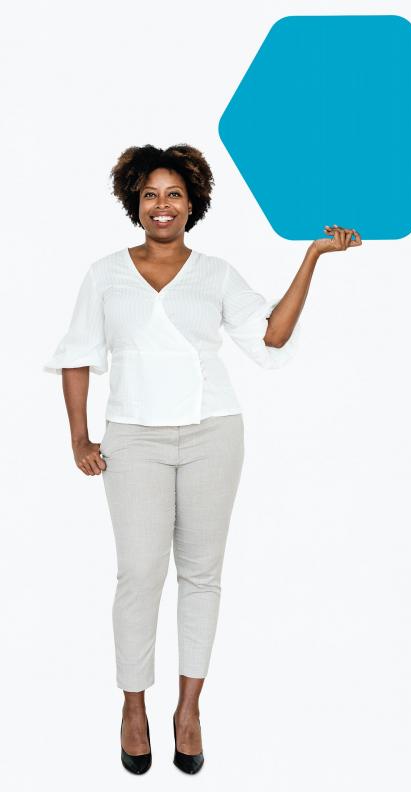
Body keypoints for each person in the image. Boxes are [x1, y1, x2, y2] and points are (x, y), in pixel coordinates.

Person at [43, 142, 362, 775]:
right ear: (135, 202)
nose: (162, 206)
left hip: (213, 432)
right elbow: (77, 353)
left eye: (175, 195)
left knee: (202, 575)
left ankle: (189, 709)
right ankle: (134, 706)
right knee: (139, 575)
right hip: (133, 438)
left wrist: (312, 259)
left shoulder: (215, 274)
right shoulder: (105, 273)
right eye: (151, 195)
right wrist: (79, 437)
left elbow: (270, 336)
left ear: (193, 204)